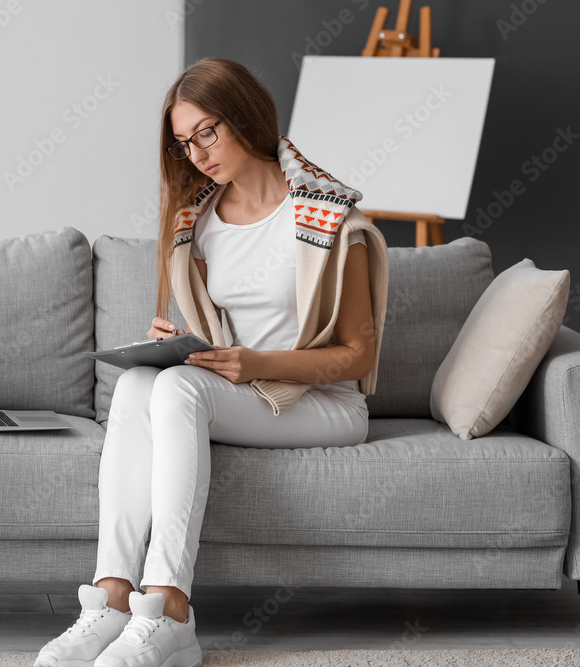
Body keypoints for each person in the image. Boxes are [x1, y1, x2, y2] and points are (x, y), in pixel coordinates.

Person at [34, 57, 385, 667]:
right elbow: (219, 336)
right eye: (182, 142)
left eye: (207, 132)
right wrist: (180, 339)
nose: (196, 153)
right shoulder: (198, 224)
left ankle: (170, 609)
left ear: (247, 117)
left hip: (321, 404)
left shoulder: (329, 218)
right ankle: (111, 601)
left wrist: (254, 364)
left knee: (176, 392)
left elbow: (358, 355)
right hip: (240, 390)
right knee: (143, 379)